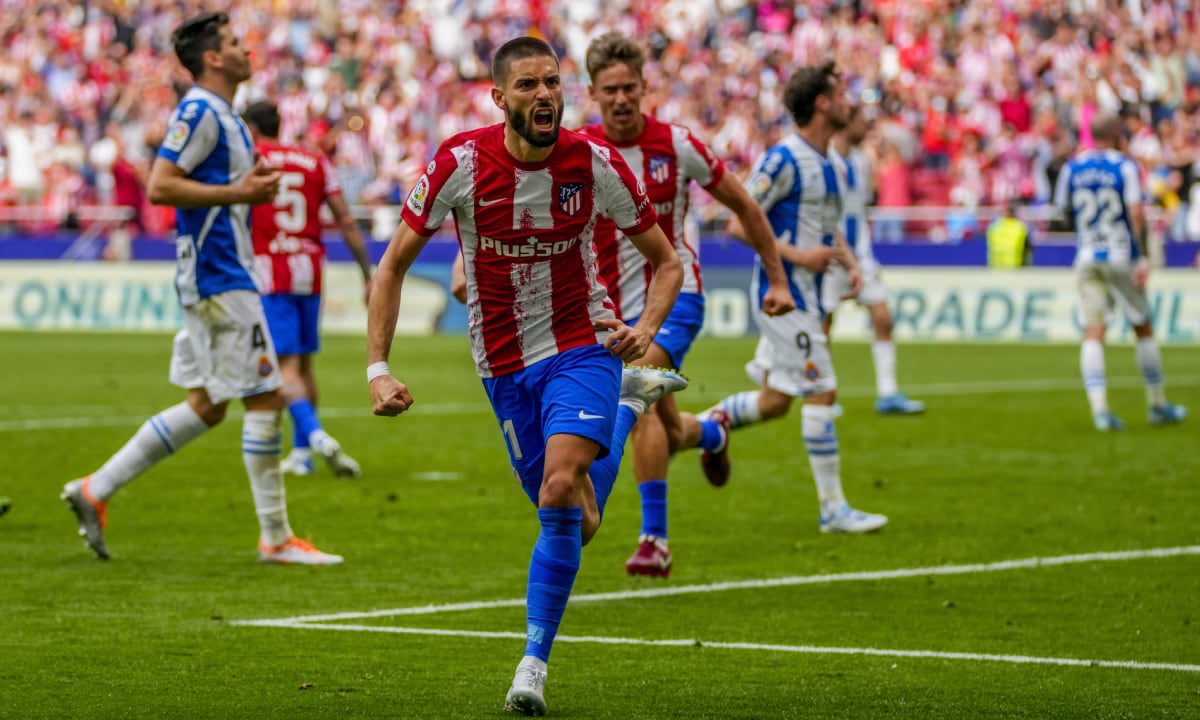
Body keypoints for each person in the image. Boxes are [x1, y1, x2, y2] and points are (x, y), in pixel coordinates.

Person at [366, 37, 686, 716]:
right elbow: (391, 265)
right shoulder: (458, 163)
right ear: (500, 97)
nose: (544, 95)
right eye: (528, 86)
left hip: (581, 344)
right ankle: (627, 411)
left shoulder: (592, 162)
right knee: (574, 516)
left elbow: (667, 261)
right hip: (504, 363)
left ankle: (533, 663)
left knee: (561, 482)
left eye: (552, 83)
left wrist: (647, 331)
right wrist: (377, 368)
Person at [60, 12, 342, 565]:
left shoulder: (226, 116)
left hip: (219, 274)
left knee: (209, 404)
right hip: (220, 277)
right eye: (236, 43)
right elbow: (161, 186)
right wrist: (241, 193)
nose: (246, 50)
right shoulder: (200, 111)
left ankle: (95, 488)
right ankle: (276, 538)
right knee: (264, 395)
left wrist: (247, 190)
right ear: (212, 57)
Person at [578, 31, 794, 578]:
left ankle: (655, 540)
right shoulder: (579, 152)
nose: (622, 98)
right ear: (594, 94)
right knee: (667, 428)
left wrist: (777, 278)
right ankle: (711, 431)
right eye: (611, 90)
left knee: (637, 387)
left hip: (676, 296)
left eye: (630, 87)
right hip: (608, 313)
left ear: (645, 87)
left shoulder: (677, 145)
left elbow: (744, 204)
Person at [700, 61, 888, 534]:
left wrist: (848, 262)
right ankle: (833, 510)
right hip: (783, 296)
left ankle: (704, 427)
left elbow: (825, 230)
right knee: (823, 390)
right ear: (822, 103)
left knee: (776, 401)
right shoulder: (784, 158)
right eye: (843, 91)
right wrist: (798, 257)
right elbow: (737, 222)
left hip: (811, 293)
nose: (850, 101)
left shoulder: (829, 163)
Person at [242, 100, 373, 479]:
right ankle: (301, 454)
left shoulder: (251, 157)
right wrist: (367, 273)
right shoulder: (314, 160)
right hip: (310, 270)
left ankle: (315, 438)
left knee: (285, 367)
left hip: (271, 271)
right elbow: (345, 219)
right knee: (305, 363)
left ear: (251, 128)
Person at [1053, 112, 1187, 431]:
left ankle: (1100, 412)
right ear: (1117, 134)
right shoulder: (1125, 166)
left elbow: (1062, 211)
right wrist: (1141, 258)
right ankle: (1157, 405)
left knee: (1093, 330)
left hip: (1086, 254)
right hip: (1120, 252)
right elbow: (1136, 212)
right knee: (1142, 324)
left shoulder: (1073, 166)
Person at [822, 104, 926, 415]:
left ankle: (888, 393)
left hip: (862, 254)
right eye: (859, 120)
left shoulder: (860, 162)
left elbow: (861, 207)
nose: (866, 127)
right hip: (832, 256)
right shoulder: (826, 162)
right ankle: (826, 395)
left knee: (882, 317)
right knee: (825, 324)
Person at [986, 199, 1032, 268]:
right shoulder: (1020, 227)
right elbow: (1028, 250)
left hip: (1000, 266)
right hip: (1009, 266)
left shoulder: (994, 225)